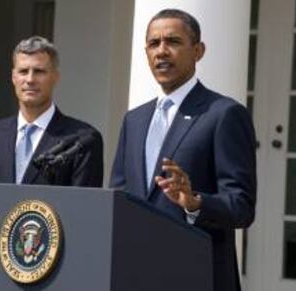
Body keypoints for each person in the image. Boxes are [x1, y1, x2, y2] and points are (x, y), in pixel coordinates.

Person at [110, 9, 256, 291]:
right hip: (134, 275)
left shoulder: (223, 114)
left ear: (198, 51)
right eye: (153, 44)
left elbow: (242, 206)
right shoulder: (134, 120)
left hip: (197, 275)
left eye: (173, 42)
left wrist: (194, 202)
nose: (161, 51)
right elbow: (119, 195)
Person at [0, 36, 103, 229]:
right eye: (23, 71)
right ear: (13, 77)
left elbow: (84, 216)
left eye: (39, 71)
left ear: (55, 77)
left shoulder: (83, 140)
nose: (30, 79)